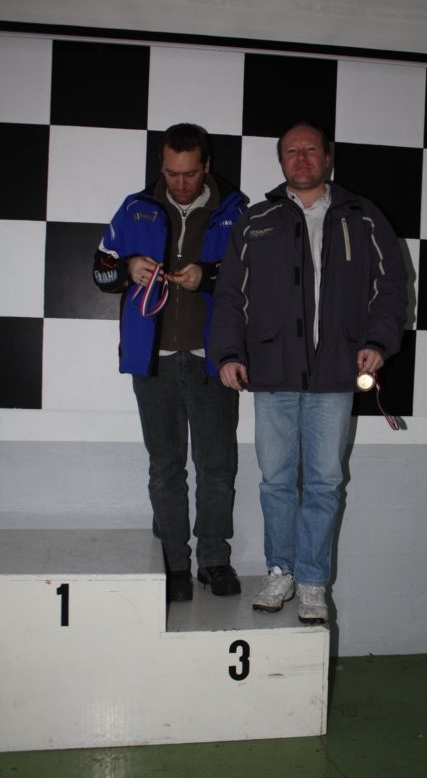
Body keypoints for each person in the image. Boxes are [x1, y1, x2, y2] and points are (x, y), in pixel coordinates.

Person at [210, 123, 407, 624]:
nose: (301, 158)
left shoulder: (363, 217)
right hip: (272, 374)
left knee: (324, 483)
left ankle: (313, 582)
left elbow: (392, 287)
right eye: (292, 152)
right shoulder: (255, 221)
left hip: (336, 374)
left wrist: (377, 342)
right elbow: (230, 296)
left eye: (310, 150)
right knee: (276, 481)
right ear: (281, 162)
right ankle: (281, 572)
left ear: (328, 157)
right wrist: (229, 353)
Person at [93, 123, 248, 602]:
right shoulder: (135, 207)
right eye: (171, 173)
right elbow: (100, 270)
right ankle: (174, 564)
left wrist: (209, 276)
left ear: (206, 166)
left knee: (217, 467)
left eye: (189, 174)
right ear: (162, 166)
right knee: (165, 468)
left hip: (213, 360)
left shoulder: (236, 210)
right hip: (153, 360)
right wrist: (127, 268)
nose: (180, 183)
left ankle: (214, 560)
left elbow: (256, 279)